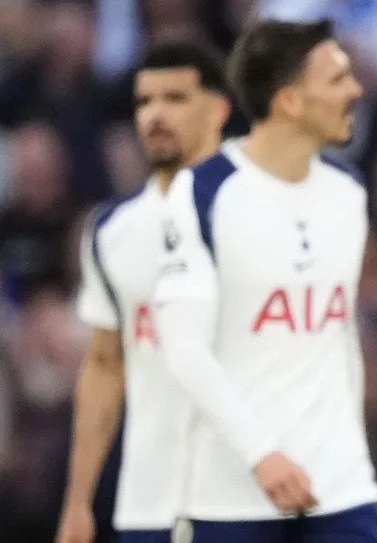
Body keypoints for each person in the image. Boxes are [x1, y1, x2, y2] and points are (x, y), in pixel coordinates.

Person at [152, 19, 377, 543]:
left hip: (338, 490)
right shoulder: (202, 192)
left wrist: (358, 467)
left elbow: (339, 336)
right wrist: (263, 455)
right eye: (337, 79)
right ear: (289, 102)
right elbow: (184, 348)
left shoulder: (346, 192)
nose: (356, 90)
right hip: (231, 494)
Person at [56, 41, 231, 543]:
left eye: (175, 98)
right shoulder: (111, 230)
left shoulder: (257, 209)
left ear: (218, 109)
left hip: (247, 492)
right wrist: (77, 502)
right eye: (144, 101)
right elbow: (106, 365)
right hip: (147, 498)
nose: (155, 115)